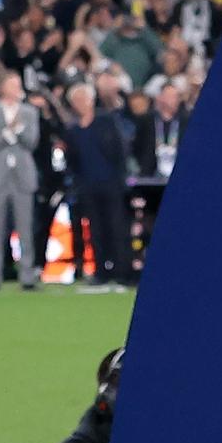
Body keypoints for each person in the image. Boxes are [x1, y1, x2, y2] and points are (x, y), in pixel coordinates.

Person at [58, 74, 135, 285]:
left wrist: (121, 178)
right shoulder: (73, 130)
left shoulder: (106, 122)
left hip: (111, 184)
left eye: (83, 99)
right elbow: (72, 160)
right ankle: (101, 270)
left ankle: (122, 270)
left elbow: (119, 151)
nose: (80, 104)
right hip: (88, 186)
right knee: (96, 230)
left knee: (116, 227)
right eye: (76, 101)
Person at [0, 72, 42, 287]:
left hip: (23, 176)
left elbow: (32, 142)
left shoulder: (30, 112)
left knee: (25, 229)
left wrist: (18, 129)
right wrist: (9, 131)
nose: (17, 88)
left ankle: (27, 276)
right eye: (13, 84)